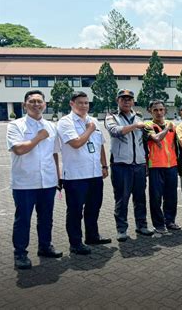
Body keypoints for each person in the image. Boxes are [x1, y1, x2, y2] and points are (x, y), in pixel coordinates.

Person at [7, 90, 63, 269]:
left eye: (40, 101)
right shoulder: (15, 125)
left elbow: (54, 153)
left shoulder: (51, 126)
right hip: (25, 182)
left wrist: (57, 176)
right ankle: (20, 254)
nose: (36, 104)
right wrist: (38, 137)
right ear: (24, 105)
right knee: (23, 219)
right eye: (32, 101)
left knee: (46, 217)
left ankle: (45, 246)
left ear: (45, 105)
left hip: (47, 180)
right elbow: (18, 149)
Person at [57, 91, 111, 255]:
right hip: (75, 175)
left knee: (94, 207)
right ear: (72, 104)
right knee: (75, 210)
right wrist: (89, 130)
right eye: (80, 103)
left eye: (86, 103)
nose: (84, 106)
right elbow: (76, 143)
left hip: (94, 173)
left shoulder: (93, 120)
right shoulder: (65, 122)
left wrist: (104, 165)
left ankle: (92, 236)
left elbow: (100, 144)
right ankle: (75, 243)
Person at [104, 89, 153, 242]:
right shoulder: (111, 117)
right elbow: (114, 131)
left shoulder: (138, 116)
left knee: (140, 198)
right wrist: (135, 126)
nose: (126, 101)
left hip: (138, 164)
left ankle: (142, 225)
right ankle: (121, 229)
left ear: (133, 101)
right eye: (123, 98)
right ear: (117, 100)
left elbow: (143, 139)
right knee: (122, 199)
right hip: (121, 165)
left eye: (129, 99)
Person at [144, 100, 181, 233]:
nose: (159, 112)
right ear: (150, 111)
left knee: (171, 196)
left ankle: (170, 221)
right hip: (156, 166)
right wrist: (166, 129)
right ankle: (159, 225)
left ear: (165, 110)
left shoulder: (174, 127)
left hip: (172, 165)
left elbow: (177, 145)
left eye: (161, 109)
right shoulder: (148, 125)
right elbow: (156, 138)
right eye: (155, 110)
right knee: (156, 197)